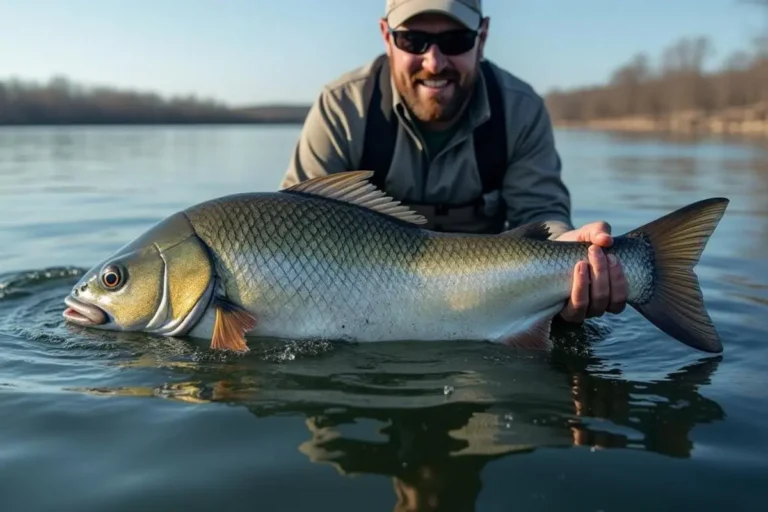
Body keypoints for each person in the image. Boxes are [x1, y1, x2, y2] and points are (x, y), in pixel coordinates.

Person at [280, 0, 626, 323]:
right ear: (386, 37)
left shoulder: (520, 110)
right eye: (412, 40)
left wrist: (571, 257)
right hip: (362, 299)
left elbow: (542, 216)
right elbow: (291, 226)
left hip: (492, 302)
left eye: (456, 40)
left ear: (483, 37)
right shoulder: (342, 108)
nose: (434, 62)